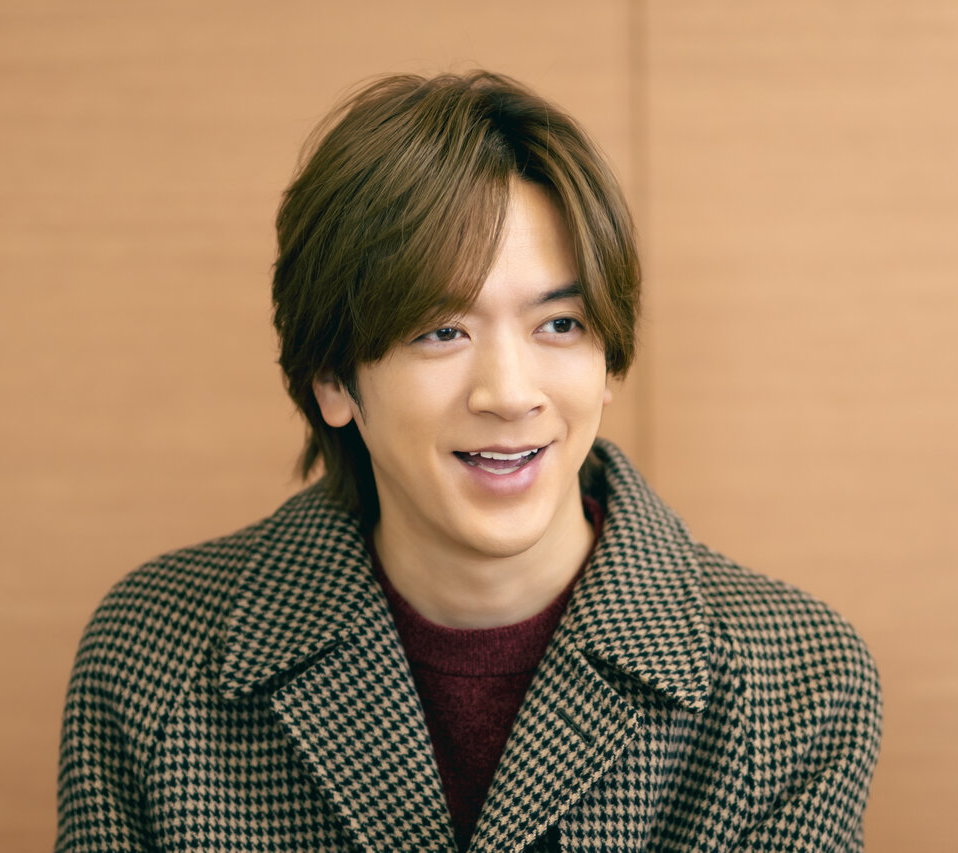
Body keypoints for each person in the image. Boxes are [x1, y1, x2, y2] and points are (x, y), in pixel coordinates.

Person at [55, 70, 882, 853]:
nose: (509, 393)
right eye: (442, 331)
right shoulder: (155, 657)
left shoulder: (794, 686)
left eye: (559, 325)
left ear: (609, 360)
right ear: (334, 379)